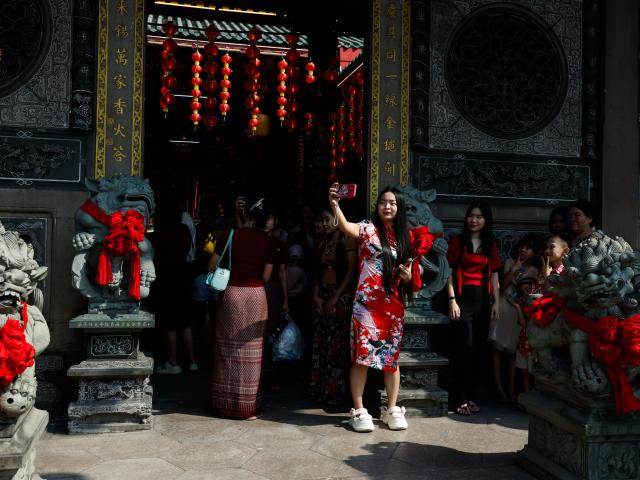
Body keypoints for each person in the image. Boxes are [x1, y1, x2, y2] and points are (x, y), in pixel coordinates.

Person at [329, 186, 418, 432]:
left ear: (398, 207)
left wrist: (407, 275)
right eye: (382, 203)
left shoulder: (404, 237)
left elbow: (409, 278)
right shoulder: (367, 228)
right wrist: (335, 204)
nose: (387, 207)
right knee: (362, 356)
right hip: (366, 304)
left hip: (392, 305)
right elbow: (346, 228)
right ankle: (358, 409)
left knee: (391, 359)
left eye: (392, 203)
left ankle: (391, 408)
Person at [208, 197, 277, 420]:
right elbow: (266, 277)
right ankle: (248, 407)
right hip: (256, 296)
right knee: (252, 353)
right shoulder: (268, 242)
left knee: (226, 350)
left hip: (232, 294)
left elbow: (211, 267)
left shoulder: (230, 235)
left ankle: (223, 405)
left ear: (244, 214)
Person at [446, 200, 501, 416]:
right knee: (464, 349)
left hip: (482, 300)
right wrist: (451, 300)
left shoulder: (491, 244)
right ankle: (459, 398)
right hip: (461, 298)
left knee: (478, 351)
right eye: (471, 216)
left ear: (486, 220)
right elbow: (448, 272)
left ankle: (472, 397)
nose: (474, 220)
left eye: (479, 217)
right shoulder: (458, 242)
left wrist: (496, 301)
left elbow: (495, 274)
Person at [309, 209, 357, 406]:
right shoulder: (323, 244)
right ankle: (320, 390)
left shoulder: (347, 242)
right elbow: (317, 273)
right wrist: (316, 296)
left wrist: (336, 297)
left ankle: (336, 393)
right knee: (322, 344)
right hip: (324, 294)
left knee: (337, 346)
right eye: (321, 220)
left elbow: (351, 271)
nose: (325, 224)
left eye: (328, 220)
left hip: (341, 296)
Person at [493, 233, 542, 403]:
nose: (523, 250)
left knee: (514, 351)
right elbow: (501, 287)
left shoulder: (536, 270)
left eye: (528, 248)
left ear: (535, 252)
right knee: (497, 349)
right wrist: (513, 270)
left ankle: (512, 390)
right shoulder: (509, 262)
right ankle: (498, 387)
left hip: (519, 311)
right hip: (504, 306)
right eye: (522, 246)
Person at [154, 196, 199, 374]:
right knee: (186, 321)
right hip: (183, 277)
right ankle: (193, 361)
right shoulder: (184, 230)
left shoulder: (160, 232)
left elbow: (156, 255)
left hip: (166, 278)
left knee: (170, 323)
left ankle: (173, 363)